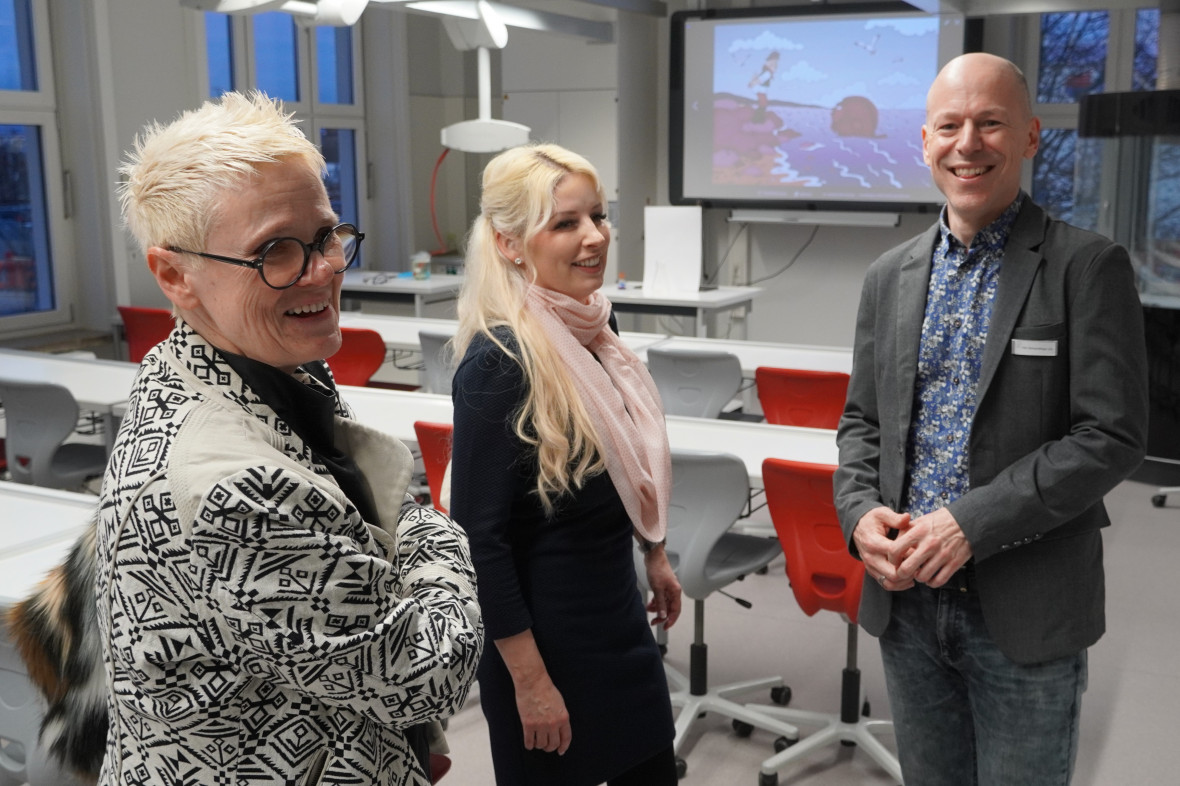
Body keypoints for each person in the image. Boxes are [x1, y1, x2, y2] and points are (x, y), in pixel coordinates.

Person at [93, 91, 483, 786]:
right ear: (175, 275)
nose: (327, 268)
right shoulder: (233, 487)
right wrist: (436, 534)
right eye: (275, 250)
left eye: (327, 234)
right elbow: (429, 672)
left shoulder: (214, 364)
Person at [834, 52, 1149, 785]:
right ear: (923, 141)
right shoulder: (889, 276)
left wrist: (971, 522)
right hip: (907, 607)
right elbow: (861, 424)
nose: (967, 143)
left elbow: (1112, 436)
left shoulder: (1087, 267)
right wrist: (856, 512)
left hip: (1024, 609)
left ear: (1032, 137)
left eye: (991, 123)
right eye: (949, 125)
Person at [447, 143, 682, 786]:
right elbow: (479, 543)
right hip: (545, 653)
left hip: (618, 628)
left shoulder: (595, 338)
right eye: (565, 223)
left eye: (598, 217)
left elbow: (624, 467)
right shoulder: (500, 365)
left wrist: (653, 551)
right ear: (509, 243)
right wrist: (530, 683)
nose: (594, 238)